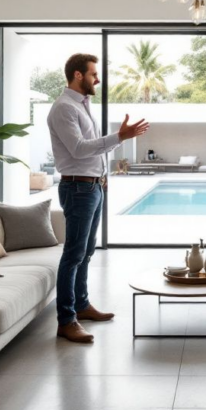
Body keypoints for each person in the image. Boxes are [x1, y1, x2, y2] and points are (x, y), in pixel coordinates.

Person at [47, 53, 149, 343]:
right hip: (78, 188)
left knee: (87, 251)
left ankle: (81, 305)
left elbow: (88, 148)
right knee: (74, 255)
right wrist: (119, 137)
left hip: (93, 187)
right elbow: (79, 149)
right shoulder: (63, 108)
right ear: (78, 75)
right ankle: (66, 320)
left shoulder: (81, 105)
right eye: (93, 73)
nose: (98, 79)